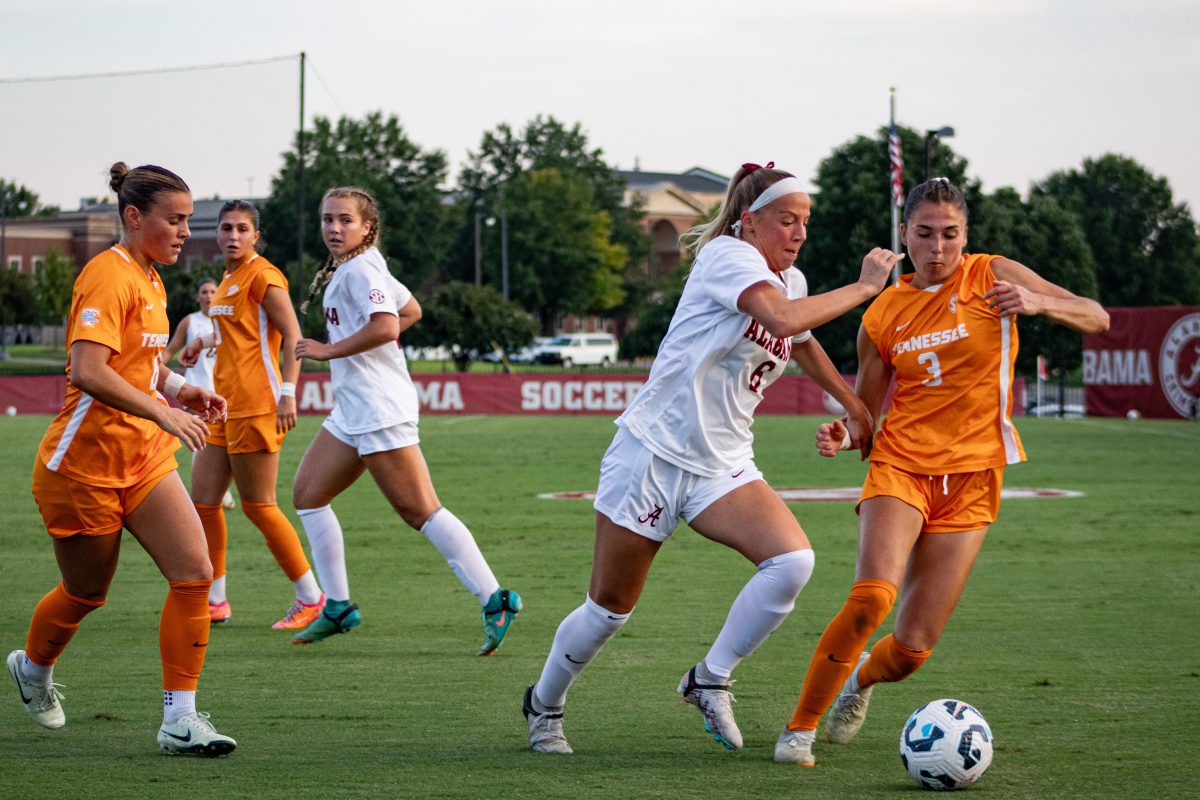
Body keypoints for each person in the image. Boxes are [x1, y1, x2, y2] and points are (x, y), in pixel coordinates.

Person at [521, 163, 900, 755]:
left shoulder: (789, 279)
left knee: (792, 561)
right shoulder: (728, 257)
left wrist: (854, 405)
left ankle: (709, 677)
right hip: (651, 454)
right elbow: (780, 320)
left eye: (805, 222)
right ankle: (543, 705)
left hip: (721, 464)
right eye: (786, 220)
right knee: (608, 610)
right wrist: (863, 287)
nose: (798, 233)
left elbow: (801, 341)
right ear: (749, 223)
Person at [773, 177, 1110, 767]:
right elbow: (866, 414)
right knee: (869, 599)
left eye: (950, 234)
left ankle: (860, 683)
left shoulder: (994, 275)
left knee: (910, 650)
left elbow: (1096, 316)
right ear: (904, 235)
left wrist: (1039, 302)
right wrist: (844, 431)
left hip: (975, 478)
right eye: (924, 234)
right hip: (901, 466)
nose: (937, 248)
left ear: (966, 236)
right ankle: (797, 731)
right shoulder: (882, 314)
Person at [6, 162, 237, 756]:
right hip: (82, 469)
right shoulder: (107, 275)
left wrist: (180, 387)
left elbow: (139, 364)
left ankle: (179, 719)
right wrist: (163, 411)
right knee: (86, 592)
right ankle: (32, 668)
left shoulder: (153, 277)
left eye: (189, 220)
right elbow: (88, 370)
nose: (187, 231)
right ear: (134, 217)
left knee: (195, 574)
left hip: (144, 462)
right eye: (176, 219)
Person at [289, 186, 522, 653]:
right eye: (327, 219)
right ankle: (337, 606)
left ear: (367, 227)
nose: (334, 228)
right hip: (354, 407)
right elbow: (410, 308)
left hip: (378, 407)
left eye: (345, 220)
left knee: (420, 511)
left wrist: (329, 349)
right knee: (308, 496)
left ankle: (495, 598)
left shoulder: (362, 269)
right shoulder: (356, 267)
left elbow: (388, 324)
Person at [178, 201, 324, 629]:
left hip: (257, 406)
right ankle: (216, 599)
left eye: (243, 229)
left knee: (259, 506)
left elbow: (293, 337)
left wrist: (288, 394)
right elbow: (235, 331)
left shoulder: (263, 276)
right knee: (203, 503)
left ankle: (312, 598)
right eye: (227, 228)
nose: (234, 236)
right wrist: (201, 343)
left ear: (255, 236)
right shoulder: (227, 279)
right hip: (222, 407)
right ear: (217, 234)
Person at [162, 277, 236, 511]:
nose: (208, 295)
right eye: (204, 291)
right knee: (201, 438)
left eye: (213, 291)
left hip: (220, 391)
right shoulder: (190, 321)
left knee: (209, 442)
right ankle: (217, 492)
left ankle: (216, 489)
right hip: (195, 391)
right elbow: (172, 348)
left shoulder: (225, 319)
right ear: (197, 297)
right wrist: (152, 369)